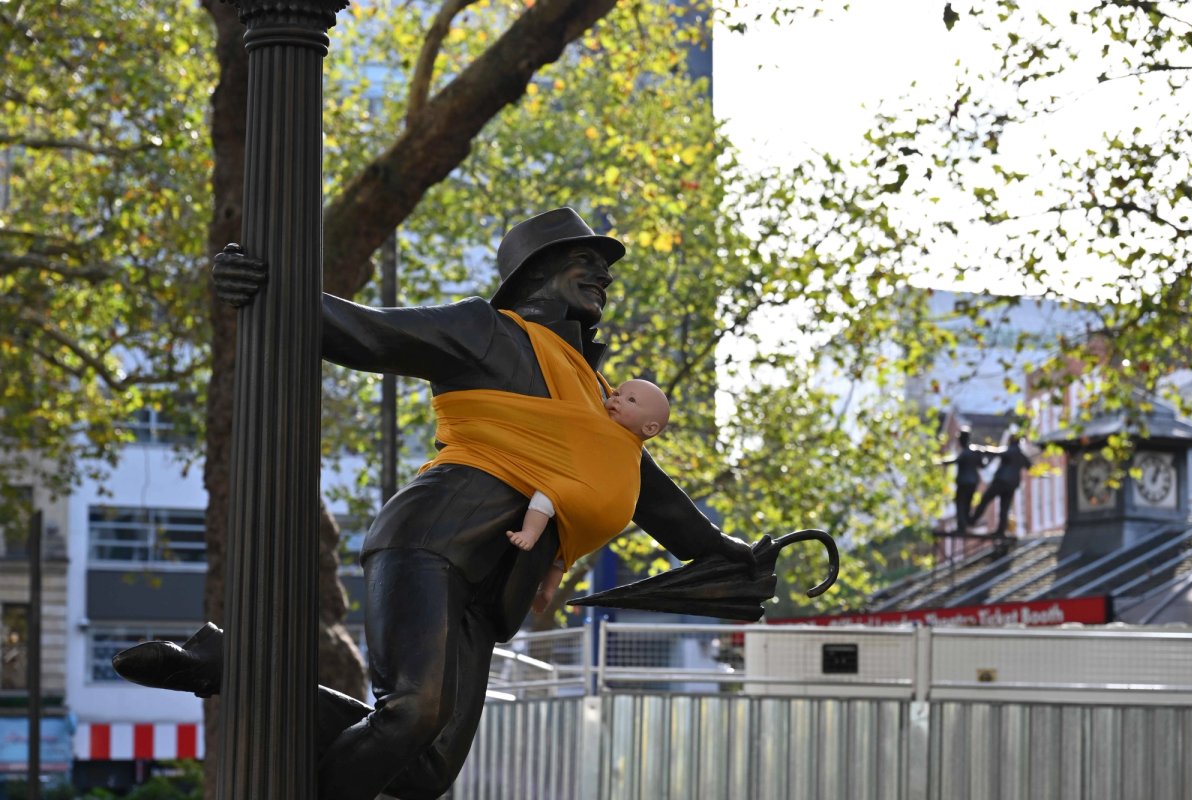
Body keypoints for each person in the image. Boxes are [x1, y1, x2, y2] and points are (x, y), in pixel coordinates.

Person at [114, 208, 753, 800]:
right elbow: (370, 334)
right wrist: (265, 287)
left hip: (492, 593)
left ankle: (233, 663)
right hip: (430, 545)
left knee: (425, 772)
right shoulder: (486, 331)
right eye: (584, 259)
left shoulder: (601, 400)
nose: (602, 274)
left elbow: (656, 499)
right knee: (410, 714)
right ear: (535, 272)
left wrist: (736, 555)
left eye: (605, 265)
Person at [504, 378, 671, 613]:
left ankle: (529, 533)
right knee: (563, 550)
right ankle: (549, 590)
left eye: (630, 400)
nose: (617, 400)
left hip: (594, 499)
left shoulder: (608, 430)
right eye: (616, 394)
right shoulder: (632, 451)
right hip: (612, 516)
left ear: (650, 429)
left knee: (548, 493)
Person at [969, 435, 1033, 537]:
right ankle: (1001, 530)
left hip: (1001, 481)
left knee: (985, 499)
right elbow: (1030, 466)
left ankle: (972, 520)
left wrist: (982, 449)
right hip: (1012, 484)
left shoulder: (1010, 450)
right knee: (1004, 507)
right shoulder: (1021, 455)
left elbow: (997, 452)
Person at [939, 426, 993, 534]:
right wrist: (986, 457)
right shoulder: (974, 451)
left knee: (960, 503)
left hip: (964, 482)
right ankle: (965, 523)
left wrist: (941, 461)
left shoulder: (965, 452)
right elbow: (983, 465)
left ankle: (962, 526)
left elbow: (954, 460)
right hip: (973, 482)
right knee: (967, 503)